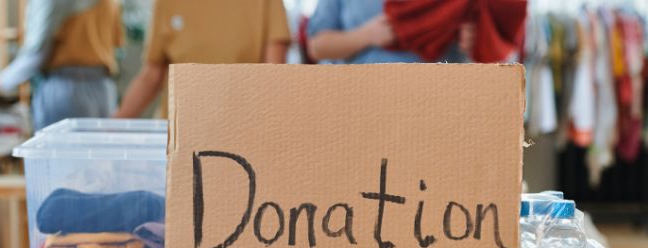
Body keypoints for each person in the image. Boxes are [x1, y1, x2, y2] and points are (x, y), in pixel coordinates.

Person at [114, 0, 291, 118]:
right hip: (178, 133)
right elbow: (151, 75)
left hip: (241, 130)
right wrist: (112, 128)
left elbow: (273, 78)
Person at [0, 0, 123, 131]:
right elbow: (117, 42)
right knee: (98, 162)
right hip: (104, 90)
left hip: (67, 92)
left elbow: (37, 54)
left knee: (60, 162)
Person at [306, 0, 474, 64]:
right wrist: (367, 35)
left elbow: (487, 42)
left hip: (438, 98)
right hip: (361, 101)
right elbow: (317, 47)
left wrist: (473, 37)